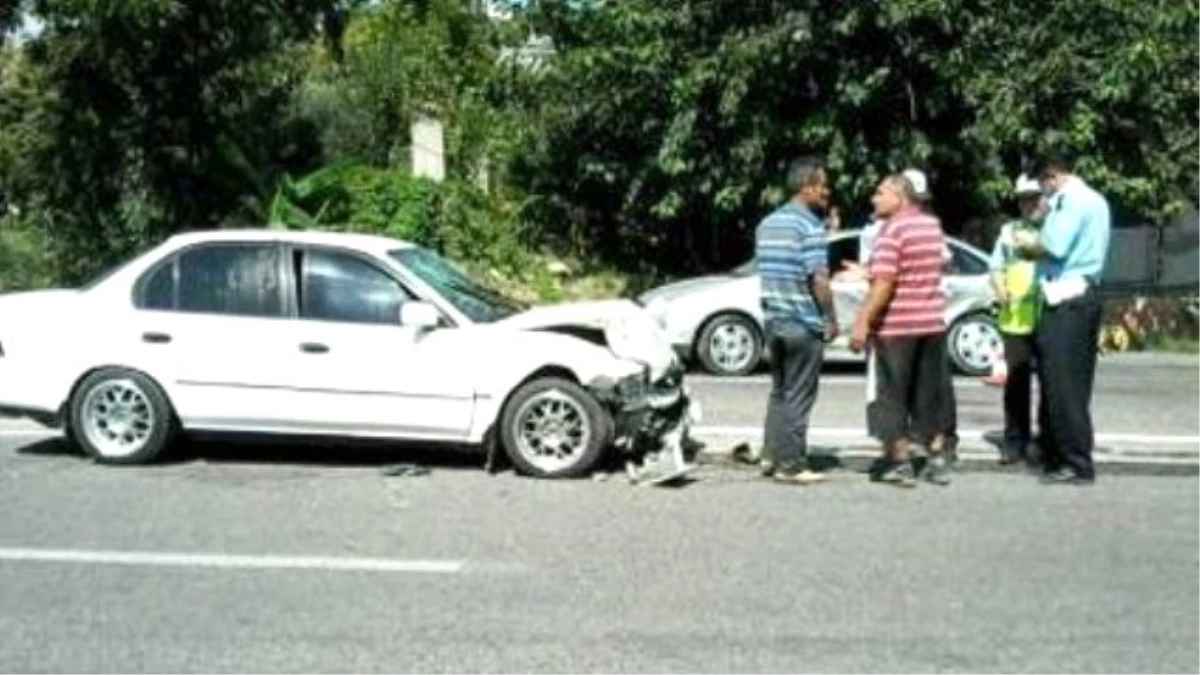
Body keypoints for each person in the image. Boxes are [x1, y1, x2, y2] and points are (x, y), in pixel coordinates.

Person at [1014, 153, 1112, 485]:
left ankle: (1074, 462)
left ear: (1052, 176)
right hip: (1084, 295)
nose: (1042, 191)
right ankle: (1065, 454)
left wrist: (1028, 244)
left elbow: (1054, 247)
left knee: (1061, 386)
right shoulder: (1095, 200)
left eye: (1042, 183)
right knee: (1075, 383)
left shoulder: (1069, 202)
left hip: (1065, 298)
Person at [850, 173, 952, 487]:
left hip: (897, 326)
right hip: (931, 322)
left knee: (892, 395)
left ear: (900, 196)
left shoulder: (891, 231)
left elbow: (885, 284)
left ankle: (900, 462)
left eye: (880, 193)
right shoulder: (932, 227)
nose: (874, 199)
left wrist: (862, 321)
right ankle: (935, 458)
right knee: (927, 394)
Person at [754, 156, 839, 485]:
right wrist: (830, 319)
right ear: (807, 187)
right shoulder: (809, 227)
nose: (827, 192)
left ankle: (769, 455)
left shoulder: (767, 224)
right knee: (800, 394)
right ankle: (791, 464)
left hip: (773, 319)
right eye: (823, 185)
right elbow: (818, 279)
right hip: (802, 321)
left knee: (779, 391)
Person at [989, 174, 1049, 466]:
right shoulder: (1009, 231)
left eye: (1035, 197)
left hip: (1049, 316)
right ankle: (1015, 440)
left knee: (1052, 384)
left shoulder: (1055, 229)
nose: (1030, 204)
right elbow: (996, 267)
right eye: (1024, 198)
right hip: (1016, 319)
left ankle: (1046, 440)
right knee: (1016, 385)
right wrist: (1002, 293)